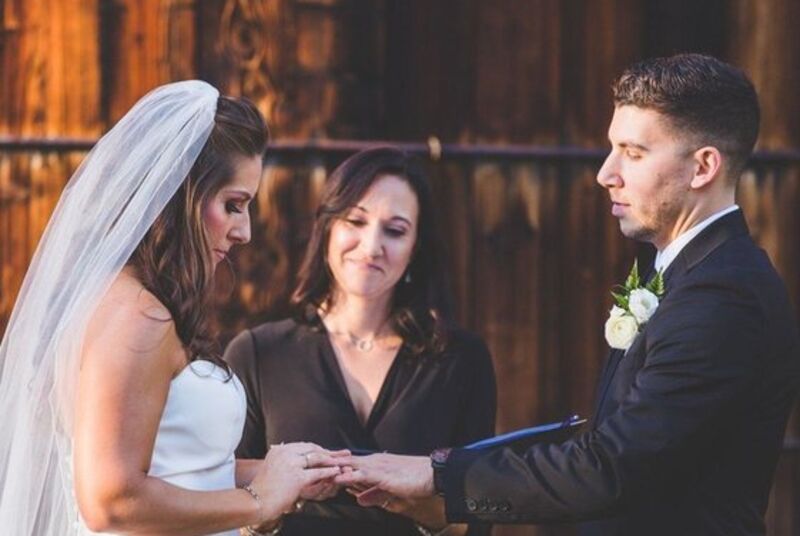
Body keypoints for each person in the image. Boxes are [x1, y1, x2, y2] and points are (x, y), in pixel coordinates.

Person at [333, 54, 800, 536]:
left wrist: (439, 477)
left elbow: (614, 466)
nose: (606, 173)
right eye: (612, 148)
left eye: (633, 153)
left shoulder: (724, 296)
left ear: (703, 167)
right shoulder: (685, 273)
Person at [0, 80, 345, 536]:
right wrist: (259, 502)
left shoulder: (135, 301)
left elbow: (178, 468)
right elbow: (111, 501)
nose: (244, 232)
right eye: (233, 205)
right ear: (182, 198)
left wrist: (284, 473)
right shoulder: (135, 316)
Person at [223, 147, 497, 536]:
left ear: (416, 249)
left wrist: (424, 506)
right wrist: (270, 504)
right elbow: (220, 505)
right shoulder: (257, 353)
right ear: (327, 227)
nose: (371, 247)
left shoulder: (461, 360)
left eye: (395, 231)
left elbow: (480, 518)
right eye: (356, 221)